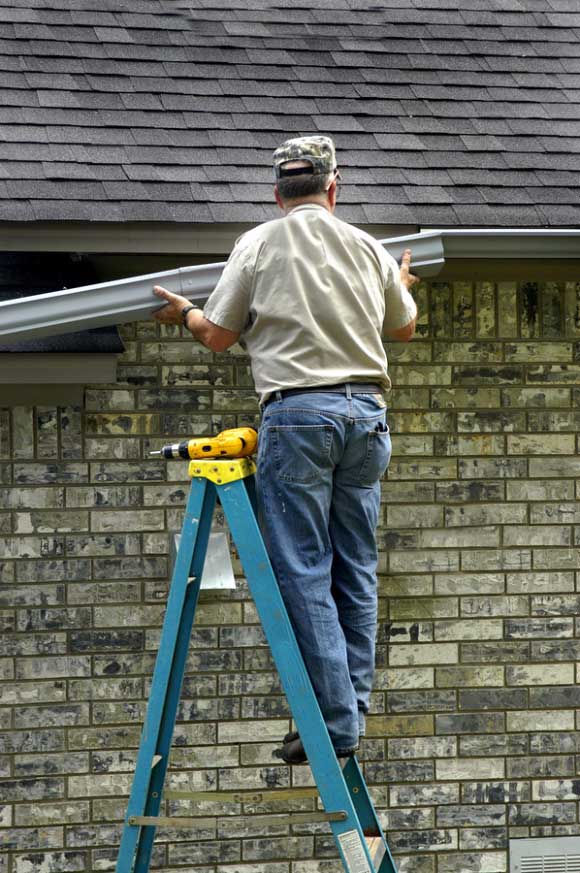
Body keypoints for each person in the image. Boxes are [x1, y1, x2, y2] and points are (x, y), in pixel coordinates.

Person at [153, 135, 418, 764]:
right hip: (368, 417)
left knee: (303, 569)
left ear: (277, 192)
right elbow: (402, 327)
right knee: (354, 567)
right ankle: (350, 708)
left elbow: (219, 336)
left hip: (299, 415)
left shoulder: (260, 243)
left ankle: (335, 722)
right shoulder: (366, 247)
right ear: (334, 186)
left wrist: (187, 312)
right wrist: (398, 283)